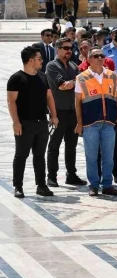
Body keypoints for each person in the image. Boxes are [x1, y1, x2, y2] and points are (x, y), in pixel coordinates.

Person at [8, 46, 59, 198]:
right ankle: (18, 186)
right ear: (31, 60)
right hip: (25, 123)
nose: (42, 61)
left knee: (39, 155)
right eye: (39, 59)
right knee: (21, 155)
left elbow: (49, 97)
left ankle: (41, 186)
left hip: (41, 123)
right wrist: (16, 122)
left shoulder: (43, 77)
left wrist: (54, 116)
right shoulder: (16, 79)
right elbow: (11, 102)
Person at [74, 48, 117, 196]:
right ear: (89, 59)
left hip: (108, 122)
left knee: (109, 156)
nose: (100, 58)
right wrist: (79, 122)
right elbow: (77, 102)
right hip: (90, 123)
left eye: (102, 55)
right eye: (96, 56)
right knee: (91, 156)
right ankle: (93, 185)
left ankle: (107, 185)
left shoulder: (112, 75)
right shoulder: (81, 78)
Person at [45, 38, 86, 188]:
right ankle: (52, 176)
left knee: (71, 145)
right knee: (54, 145)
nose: (69, 50)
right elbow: (63, 86)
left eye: (71, 48)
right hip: (58, 112)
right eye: (66, 48)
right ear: (58, 49)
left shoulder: (73, 66)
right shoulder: (52, 66)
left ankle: (71, 175)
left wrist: (74, 83)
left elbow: (79, 84)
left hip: (73, 112)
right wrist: (77, 82)